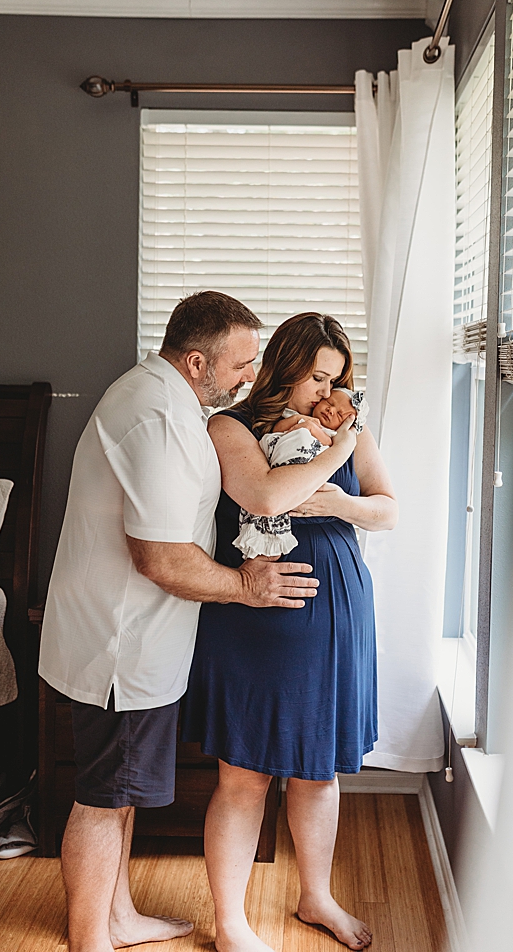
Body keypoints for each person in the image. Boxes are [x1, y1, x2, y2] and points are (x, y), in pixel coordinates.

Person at [37, 290, 322, 952]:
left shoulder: (159, 395)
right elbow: (160, 558)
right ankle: (90, 941)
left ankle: (118, 917)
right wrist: (246, 588)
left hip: (132, 638)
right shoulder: (160, 416)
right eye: (241, 364)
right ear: (197, 361)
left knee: (120, 791)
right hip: (121, 643)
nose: (250, 376)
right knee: (103, 798)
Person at [184, 312, 397, 952]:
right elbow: (266, 498)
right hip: (257, 615)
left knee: (318, 770)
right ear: (284, 363)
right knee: (243, 774)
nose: (324, 393)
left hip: (335, 609)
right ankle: (229, 924)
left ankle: (316, 897)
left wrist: (341, 502)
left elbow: (388, 510)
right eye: (313, 376)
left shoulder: (346, 429)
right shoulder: (231, 426)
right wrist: (336, 450)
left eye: (334, 379)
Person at [230, 388, 365, 559]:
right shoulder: (292, 417)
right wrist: (298, 421)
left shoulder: (340, 437)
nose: (331, 410)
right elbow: (277, 430)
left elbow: (388, 515)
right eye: (330, 403)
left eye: (339, 415)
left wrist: (313, 430)